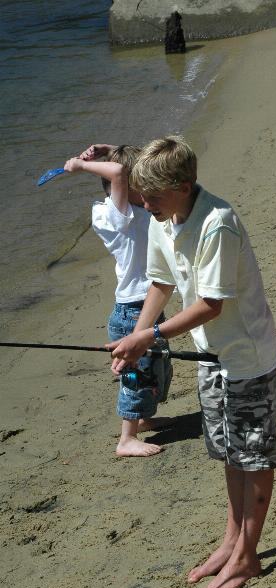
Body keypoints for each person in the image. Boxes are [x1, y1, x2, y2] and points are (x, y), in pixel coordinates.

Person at [105, 136, 276, 588]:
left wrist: (153, 337)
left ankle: (248, 554)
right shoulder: (164, 219)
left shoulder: (217, 223)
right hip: (209, 356)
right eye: (142, 196)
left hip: (246, 356)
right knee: (226, 451)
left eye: (154, 197)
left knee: (253, 454)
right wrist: (135, 340)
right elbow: (161, 283)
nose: (145, 205)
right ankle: (232, 540)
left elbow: (210, 304)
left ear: (184, 185)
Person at [64, 143, 172, 457]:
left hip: (146, 301)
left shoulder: (130, 209)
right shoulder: (118, 213)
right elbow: (120, 171)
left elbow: (123, 166)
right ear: (122, 188)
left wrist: (108, 148)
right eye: (142, 185)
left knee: (157, 365)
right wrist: (78, 165)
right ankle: (126, 438)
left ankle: (143, 419)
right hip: (133, 307)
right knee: (136, 372)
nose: (149, 192)